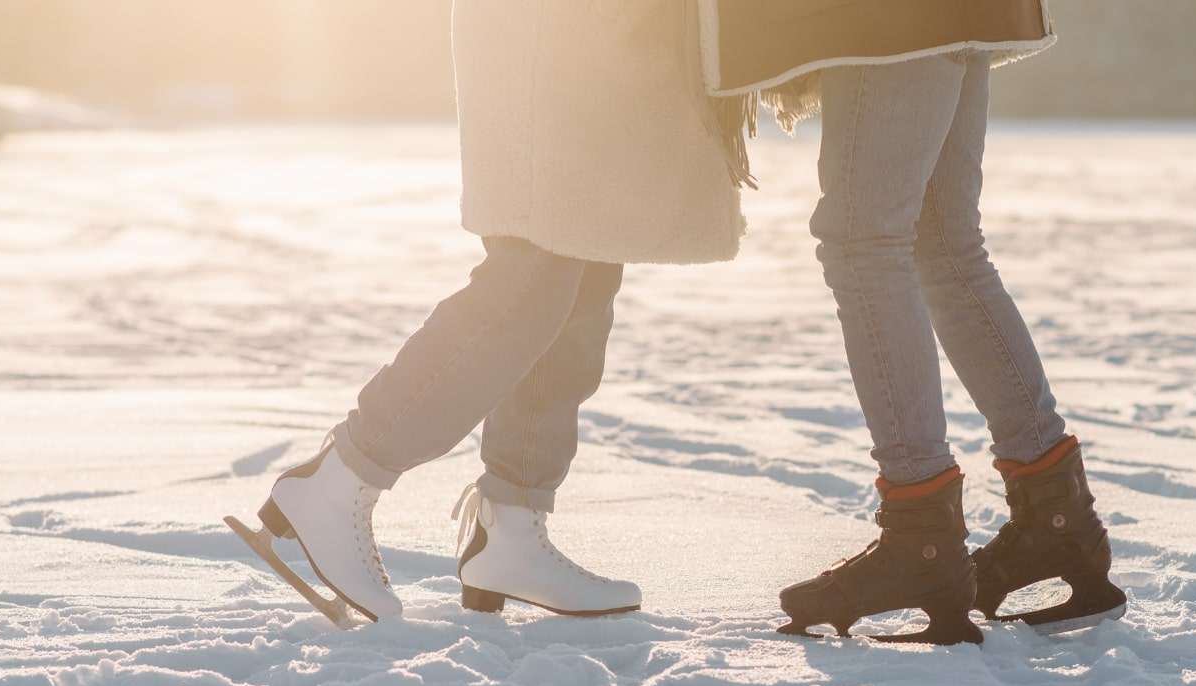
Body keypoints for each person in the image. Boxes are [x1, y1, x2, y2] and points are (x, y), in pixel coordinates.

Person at [229, 0, 744, 626]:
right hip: (552, 27)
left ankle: (512, 528)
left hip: (618, 33)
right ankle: (341, 478)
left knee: (586, 265)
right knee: (534, 276)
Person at [700, 0, 1128, 644]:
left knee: (863, 243)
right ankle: (1053, 521)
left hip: (889, 17)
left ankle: (920, 538)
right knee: (945, 244)